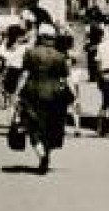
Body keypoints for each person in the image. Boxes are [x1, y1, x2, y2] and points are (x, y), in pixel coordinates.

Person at [15, 23, 72, 173]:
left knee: (32, 127)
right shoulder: (59, 56)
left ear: (40, 37)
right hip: (54, 95)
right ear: (53, 38)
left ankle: (41, 154)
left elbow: (24, 75)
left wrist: (17, 93)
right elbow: (65, 78)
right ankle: (46, 153)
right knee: (51, 127)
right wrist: (73, 97)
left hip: (32, 93)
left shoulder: (30, 53)